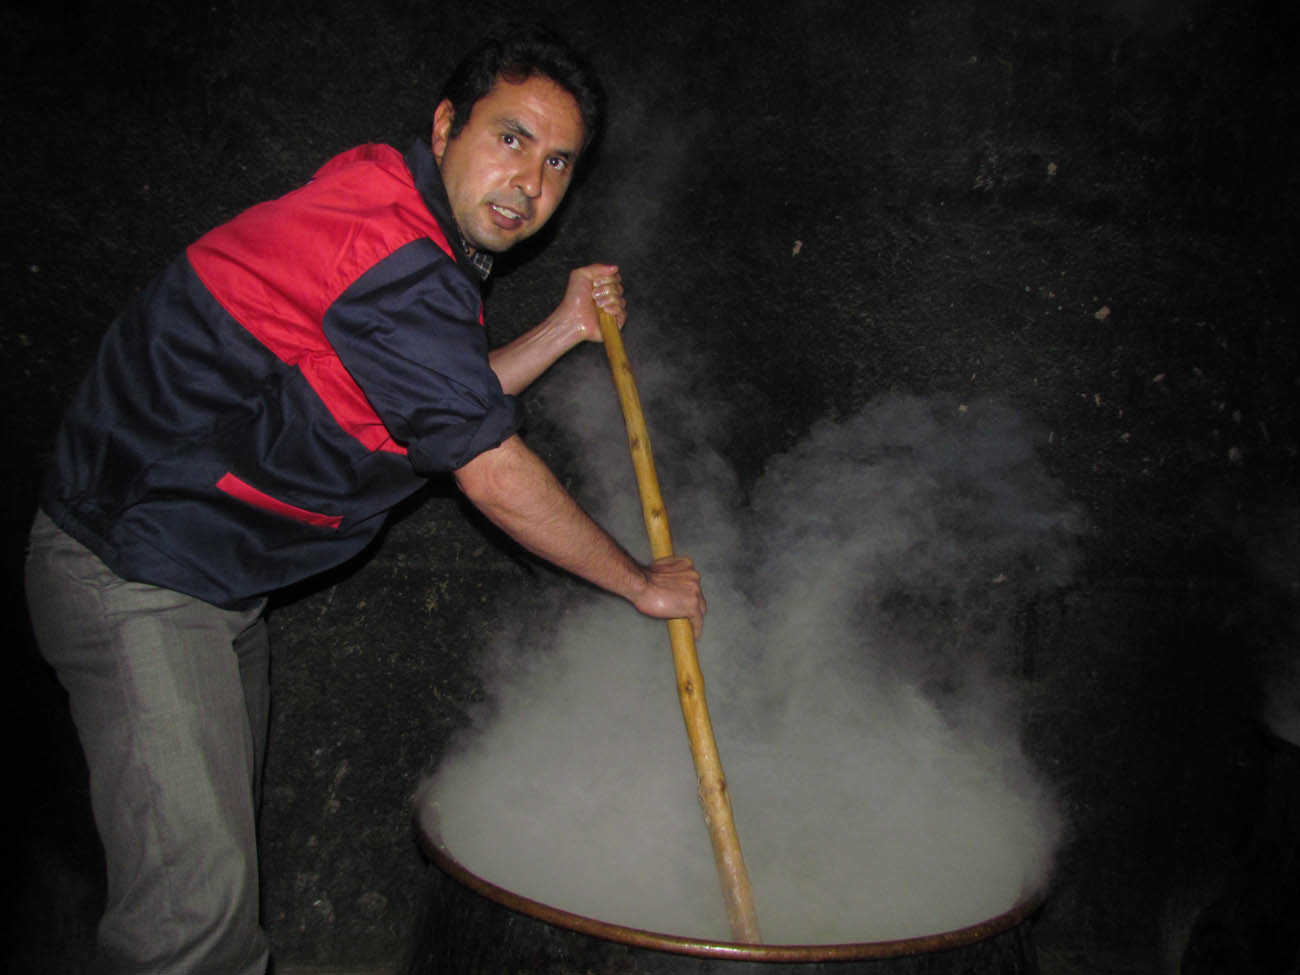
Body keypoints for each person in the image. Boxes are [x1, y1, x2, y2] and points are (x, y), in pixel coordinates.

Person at [24, 23, 705, 975]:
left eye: (558, 162)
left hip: (211, 582)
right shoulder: (388, 249)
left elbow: (441, 401)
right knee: (193, 926)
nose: (530, 183)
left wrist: (561, 327)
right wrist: (638, 582)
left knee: (205, 896)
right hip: (135, 576)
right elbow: (489, 467)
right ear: (446, 127)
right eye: (510, 138)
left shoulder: (404, 229)